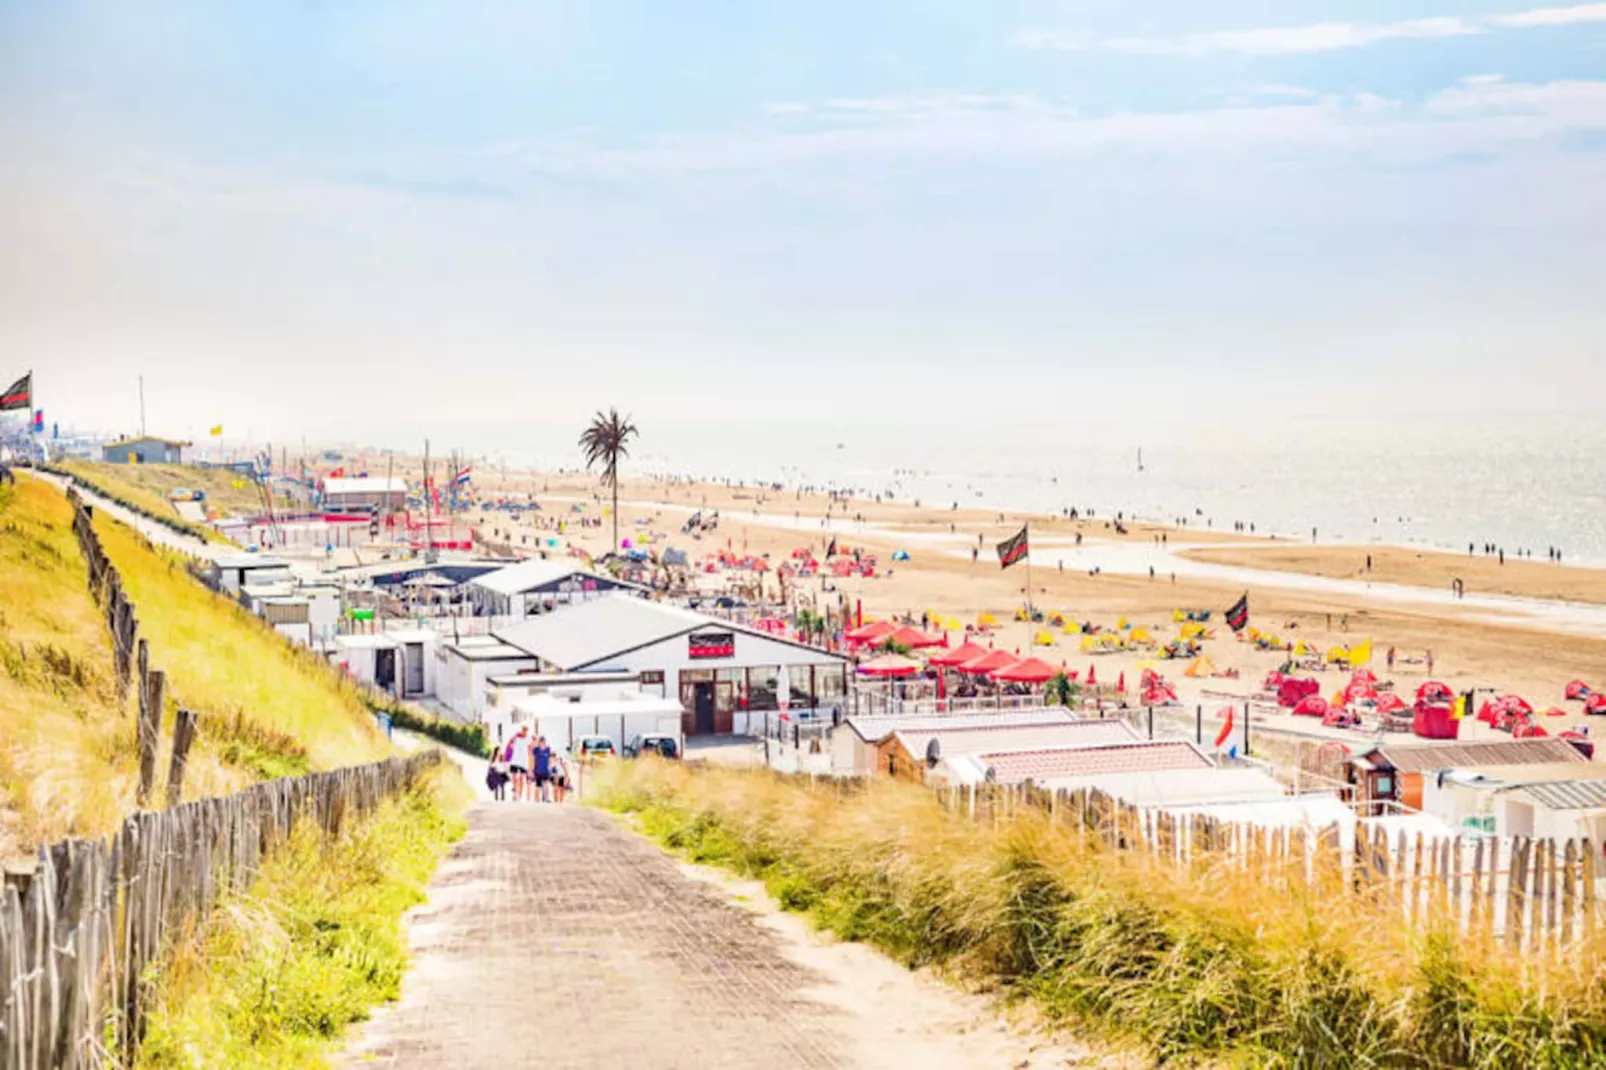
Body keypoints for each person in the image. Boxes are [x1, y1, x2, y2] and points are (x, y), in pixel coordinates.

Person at [505, 726, 530, 801]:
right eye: (523, 730)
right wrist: (506, 756)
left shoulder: (528, 739)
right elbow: (508, 745)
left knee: (522, 778)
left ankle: (520, 795)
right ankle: (515, 792)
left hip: (523, 762)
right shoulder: (515, 737)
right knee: (514, 777)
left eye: (526, 730)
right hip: (514, 760)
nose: (524, 731)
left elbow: (530, 750)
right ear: (521, 730)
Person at [532, 734, 553, 802]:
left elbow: (550, 759)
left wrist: (550, 767)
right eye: (541, 741)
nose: (543, 743)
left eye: (544, 741)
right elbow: (533, 759)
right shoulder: (536, 749)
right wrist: (532, 768)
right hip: (538, 770)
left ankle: (547, 798)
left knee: (547, 783)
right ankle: (536, 799)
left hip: (546, 770)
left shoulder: (548, 749)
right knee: (538, 785)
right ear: (539, 742)